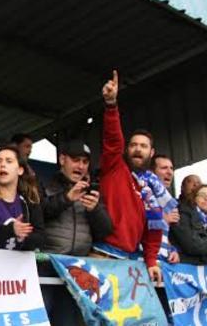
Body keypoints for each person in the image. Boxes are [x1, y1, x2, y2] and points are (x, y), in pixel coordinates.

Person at [93, 70, 168, 284]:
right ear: (126, 149)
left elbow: (153, 232)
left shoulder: (153, 189)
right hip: (104, 256)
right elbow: (113, 139)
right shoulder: (115, 167)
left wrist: (152, 261)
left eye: (143, 146)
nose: (137, 149)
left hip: (132, 262)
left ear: (151, 153)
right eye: (133, 145)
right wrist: (111, 104)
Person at [42, 140, 112, 256]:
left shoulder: (91, 192)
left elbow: (105, 232)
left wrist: (94, 210)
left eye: (85, 162)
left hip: (80, 264)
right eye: (76, 160)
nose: (80, 166)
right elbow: (38, 216)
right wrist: (67, 198)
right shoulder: (45, 185)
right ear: (62, 160)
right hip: (48, 260)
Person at [169, 184, 207, 265]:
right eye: (202, 195)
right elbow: (191, 246)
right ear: (194, 198)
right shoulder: (182, 213)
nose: (206, 199)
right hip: (179, 268)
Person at [151, 154, 180, 263]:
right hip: (142, 261)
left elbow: (164, 235)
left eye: (171, 168)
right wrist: (164, 220)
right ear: (152, 172)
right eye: (164, 168)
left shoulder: (168, 200)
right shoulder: (145, 194)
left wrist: (172, 250)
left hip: (161, 260)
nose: (170, 172)